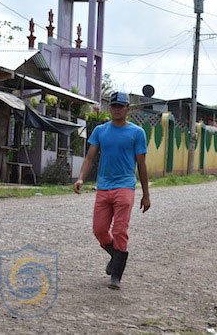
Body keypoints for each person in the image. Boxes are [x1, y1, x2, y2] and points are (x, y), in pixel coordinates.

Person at [74, 91, 150, 290]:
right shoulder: (100, 131)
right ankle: (116, 257)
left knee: (119, 230)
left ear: (127, 109)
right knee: (99, 230)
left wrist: (146, 194)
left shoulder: (137, 133)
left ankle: (116, 276)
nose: (116, 109)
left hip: (125, 186)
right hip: (103, 187)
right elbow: (90, 157)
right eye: (114, 106)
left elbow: (142, 165)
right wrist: (81, 177)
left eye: (120, 106)